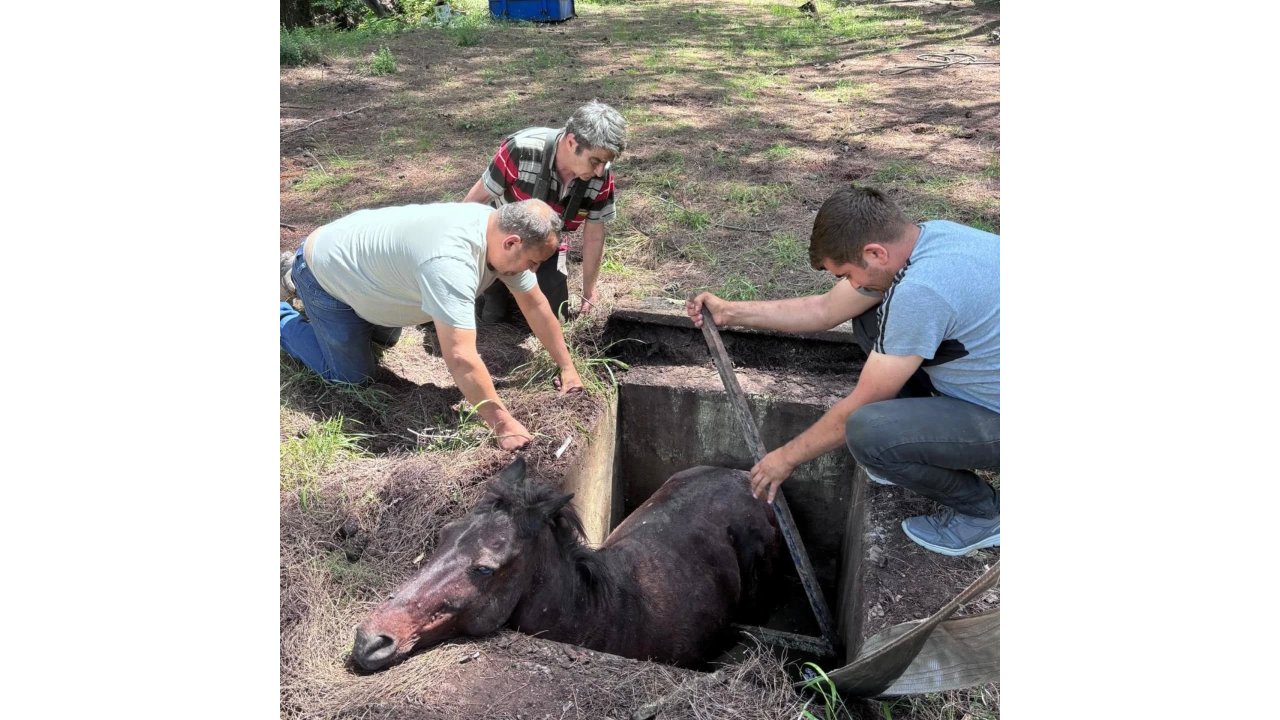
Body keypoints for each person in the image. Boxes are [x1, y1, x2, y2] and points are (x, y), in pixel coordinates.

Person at [686, 187, 1000, 556]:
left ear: (875, 253)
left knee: (868, 433)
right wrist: (730, 312)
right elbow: (824, 310)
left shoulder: (921, 291)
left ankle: (984, 515)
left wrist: (784, 459)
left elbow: (861, 406)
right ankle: (911, 446)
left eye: (848, 275)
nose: (851, 285)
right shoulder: (929, 238)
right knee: (869, 317)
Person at [280, 199, 585, 451]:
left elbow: (535, 305)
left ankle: (315, 301)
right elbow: (461, 357)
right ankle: (286, 305)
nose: (532, 270)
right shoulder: (450, 261)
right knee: (350, 377)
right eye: (532, 262)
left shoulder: (495, 229)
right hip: (325, 272)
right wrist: (503, 425)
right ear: (512, 242)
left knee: (385, 341)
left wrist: (567, 366)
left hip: (362, 271)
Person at [462, 100, 627, 322]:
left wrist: (589, 293)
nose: (599, 171)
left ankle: (521, 284)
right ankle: (495, 290)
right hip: (502, 242)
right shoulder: (521, 150)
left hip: (547, 247)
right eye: (595, 160)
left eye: (605, 163)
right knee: (493, 316)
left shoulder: (600, 177)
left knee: (555, 316)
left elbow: (594, 236)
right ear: (571, 142)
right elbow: (473, 203)